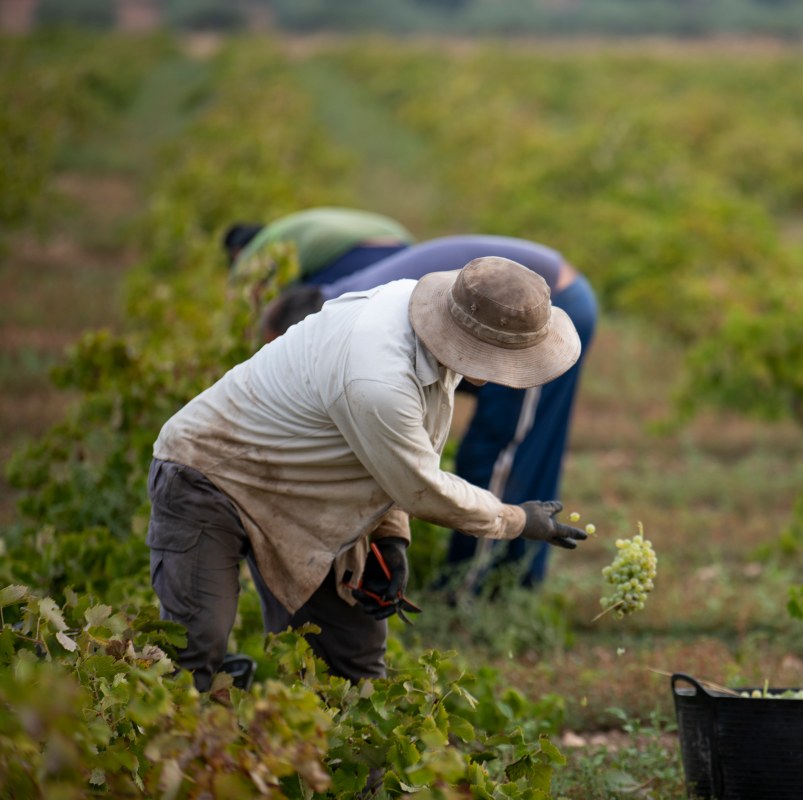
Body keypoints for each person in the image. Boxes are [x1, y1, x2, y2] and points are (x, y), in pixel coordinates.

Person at [146, 257, 589, 691]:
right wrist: (516, 519)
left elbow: (396, 455)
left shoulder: (430, 324)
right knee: (194, 650)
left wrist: (390, 539)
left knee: (352, 664)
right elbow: (423, 487)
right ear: (468, 340)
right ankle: (188, 728)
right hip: (210, 473)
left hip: (310, 491)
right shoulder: (379, 380)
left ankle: (292, 735)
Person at [261, 235, 599, 596]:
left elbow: (415, 478)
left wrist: (516, 520)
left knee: (499, 452)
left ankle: (469, 590)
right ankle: (511, 579)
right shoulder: (346, 307)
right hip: (517, 307)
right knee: (517, 449)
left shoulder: (356, 333)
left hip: (536, 311)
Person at [223, 206, 415, 286]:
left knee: (305, 307)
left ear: (237, 252)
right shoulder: (286, 228)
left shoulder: (253, 251)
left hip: (358, 253)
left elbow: (239, 286)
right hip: (402, 245)